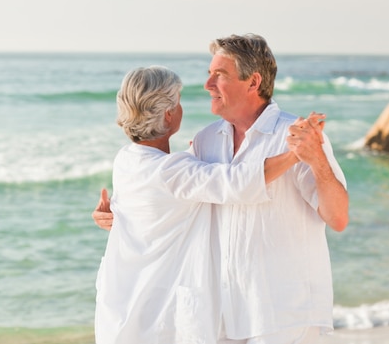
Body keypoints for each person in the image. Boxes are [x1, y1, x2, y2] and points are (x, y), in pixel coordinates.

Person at [94, 34, 349, 344]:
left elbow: (338, 218)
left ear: (253, 82)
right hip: (222, 320)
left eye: (220, 75)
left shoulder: (295, 134)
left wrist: (315, 157)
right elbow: (189, 188)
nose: (207, 85)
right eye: (208, 74)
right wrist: (122, 217)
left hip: (284, 314)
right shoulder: (204, 141)